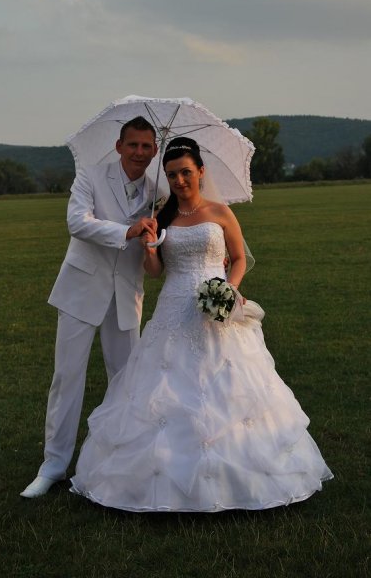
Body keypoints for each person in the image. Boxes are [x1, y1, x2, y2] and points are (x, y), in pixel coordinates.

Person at [70, 136, 333, 512]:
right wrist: (149, 247)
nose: (179, 181)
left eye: (186, 172)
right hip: (174, 308)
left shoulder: (220, 212)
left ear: (201, 172)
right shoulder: (163, 217)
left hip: (217, 308)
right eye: (172, 174)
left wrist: (228, 291)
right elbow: (156, 272)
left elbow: (239, 258)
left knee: (229, 385)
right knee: (164, 387)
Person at [20, 117, 159, 498]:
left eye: (147, 146)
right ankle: (53, 465)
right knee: (67, 377)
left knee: (126, 381)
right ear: (119, 146)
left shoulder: (158, 192)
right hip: (81, 290)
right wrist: (126, 230)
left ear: (155, 150)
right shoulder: (90, 176)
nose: (139, 152)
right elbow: (77, 223)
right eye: (133, 145)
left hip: (127, 294)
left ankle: (121, 458)